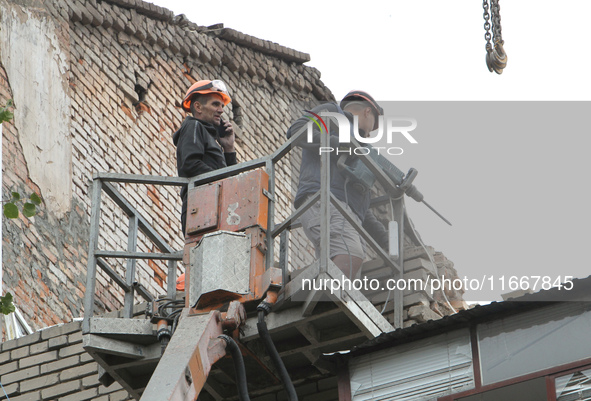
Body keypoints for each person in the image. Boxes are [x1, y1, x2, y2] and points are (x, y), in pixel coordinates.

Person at [287, 90, 389, 278]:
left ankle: (322, 301)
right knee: (350, 254)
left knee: (349, 267)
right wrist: (339, 144)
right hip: (324, 199)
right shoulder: (332, 113)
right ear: (368, 112)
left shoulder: (358, 148)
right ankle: (321, 298)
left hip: (345, 212)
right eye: (373, 125)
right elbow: (298, 130)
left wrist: (385, 239)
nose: (370, 132)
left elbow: (359, 204)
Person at [173, 79, 236, 235]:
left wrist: (228, 148)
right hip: (200, 205)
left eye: (222, 106)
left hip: (213, 205)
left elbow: (233, 183)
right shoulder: (193, 126)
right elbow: (190, 164)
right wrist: (221, 182)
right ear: (198, 107)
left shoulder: (211, 139)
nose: (221, 110)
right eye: (215, 104)